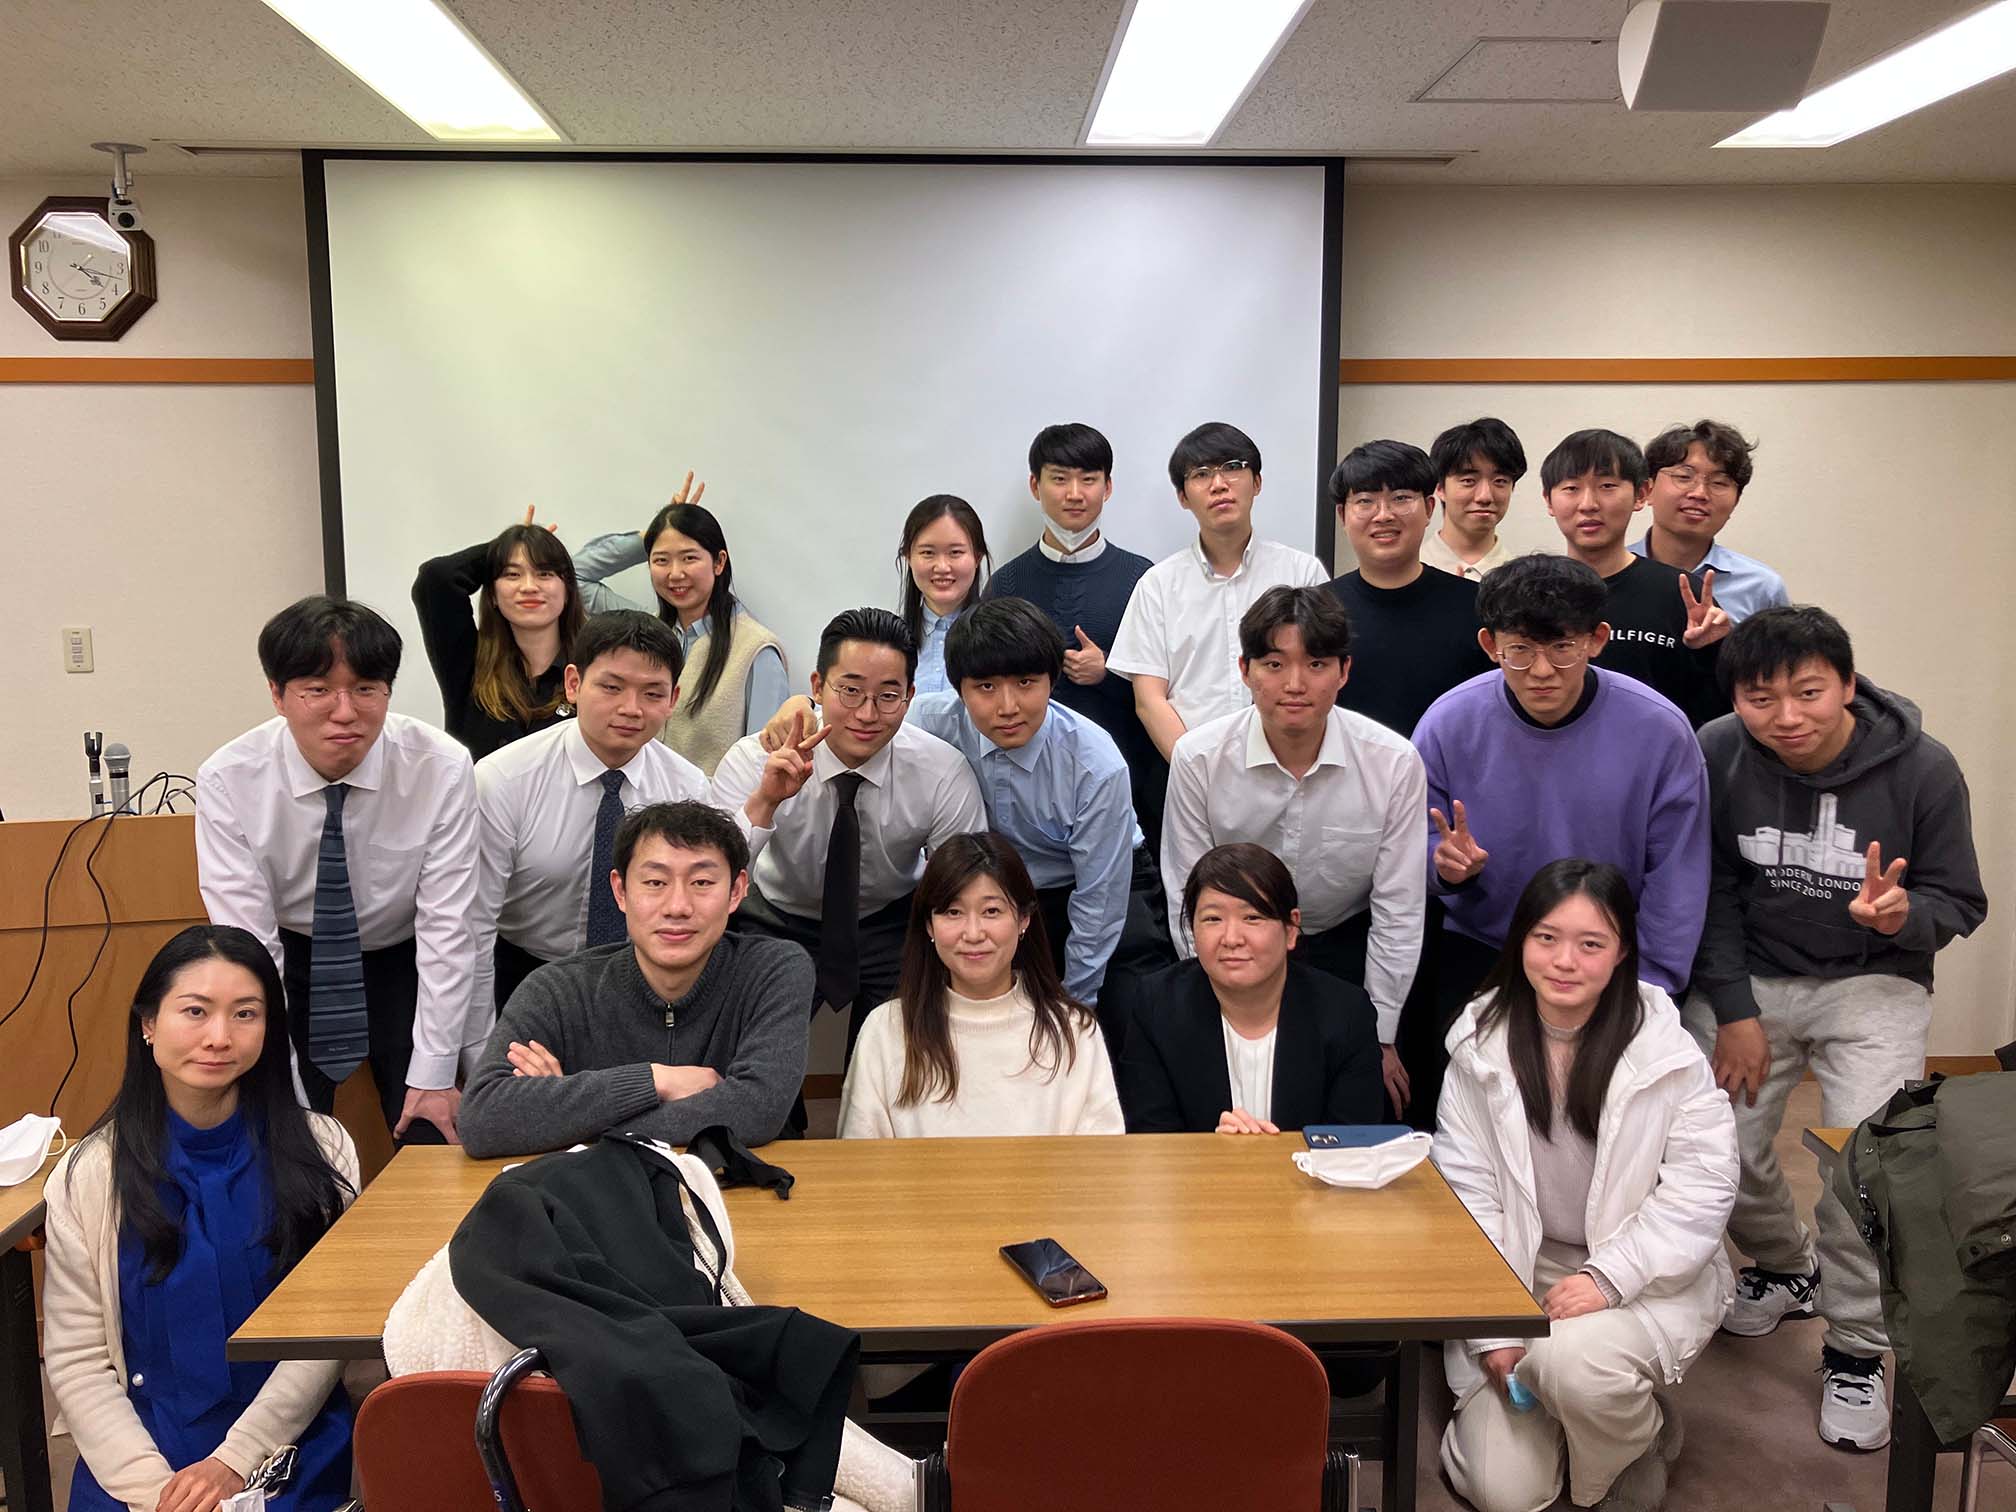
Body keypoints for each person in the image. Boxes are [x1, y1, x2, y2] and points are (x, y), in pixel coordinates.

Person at [1685, 606, 1987, 1450]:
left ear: (1848, 685)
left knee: (1866, 1165)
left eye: (1809, 692)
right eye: (1761, 698)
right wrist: (1734, 1009)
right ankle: (1786, 1267)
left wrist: (1902, 917)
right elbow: (1707, 888)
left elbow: (1960, 899)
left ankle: (1857, 1348)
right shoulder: (1715, 752)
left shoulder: (1924, 768)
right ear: (1735, 700)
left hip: (1875, 979)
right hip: (1752, 975)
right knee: (1714, 1148)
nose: (1787, 717)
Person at [1437, 861, 1737, 1512]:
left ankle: (1628, 1435)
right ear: (1520, 940)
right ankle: (1612, 1424)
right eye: (1546, 938)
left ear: (1622, 951)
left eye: (1591, 943)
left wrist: (1608, 1277)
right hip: (1522, 1263)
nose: (1565, 961)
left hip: (1644, 1270)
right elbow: (1466, 1198)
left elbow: (1702, 1190)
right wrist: (1494, 1329)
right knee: (1504, 1493)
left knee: (1572, 1366)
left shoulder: (1667, 1050)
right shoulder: (1478, 1046)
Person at [45, 925, 360, 1512]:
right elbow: (77, 1360)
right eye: (195, 1011)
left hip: (283, 1438)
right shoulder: (89, 1174)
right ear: (148, 1023)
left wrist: (233, 1463)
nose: (219, 1037)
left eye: (245, 1014)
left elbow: (325, 1338)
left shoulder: (323, 1150)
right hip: (138, 1451)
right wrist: (155, 1491)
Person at [1406, 554, 1710, 1130]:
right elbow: (1412, 843)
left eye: (1562, 648)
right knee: (1469, 1117)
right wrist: (1442, 867)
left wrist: (1652, 988)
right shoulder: (1449, 722)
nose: (1541, 670)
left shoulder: (1659, 730)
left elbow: (1679, 872)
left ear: (1597, 640)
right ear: (1490, 644)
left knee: (1606, 1121)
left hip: (1609, 957)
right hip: (1486, 948)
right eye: (1520, 650)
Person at [760, 597, 1163, 1013]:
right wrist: (801, 706)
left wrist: (1077, 1002)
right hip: (994, 890)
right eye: (986, 687)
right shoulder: (930, 720)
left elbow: (1100, 899)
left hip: (1095, 879)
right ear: (959, 688)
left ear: (1052, 680)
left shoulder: (1095, 764)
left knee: (1124, 1005)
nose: (1008, 707)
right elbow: (864, 713)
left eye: (1026, 683)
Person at [196, 596, 476, 1143]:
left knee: (431, 1127)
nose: (345, 712)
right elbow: (248, 944)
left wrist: (435, 1074)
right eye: (318, 690)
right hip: (289, 956)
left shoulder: (440, 767)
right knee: (282, 1134)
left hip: (405, 957)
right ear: (277, 694)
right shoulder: (230, 778)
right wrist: (281, 1093)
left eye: (366, 689)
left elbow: (448, 926)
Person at [469, 611, 816, 1045]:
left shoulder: (684, 783)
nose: (631, 709)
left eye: (652, 693)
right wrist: (476, 1048)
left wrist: (765, 801)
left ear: (673, 699)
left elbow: (708, 875)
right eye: (611, 687)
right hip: (527, 969)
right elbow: (474, 925)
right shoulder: (503, 778)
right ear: (574, 684)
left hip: (644, 978)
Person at [1162, 587, 1425, 1117]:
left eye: (1317, 664)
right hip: (1234, 946)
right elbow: (1187, 897)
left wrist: (1380, 1034)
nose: (1295, 684)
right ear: (1245, 669)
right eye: (1274, 664)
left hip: (1344, 947)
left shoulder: (1393, 762)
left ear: (1344, 671)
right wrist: (1218, 1009)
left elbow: (1399, 909)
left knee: (1348, 1110)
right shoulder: (1199, 758)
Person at [459, 801, 814, 1157]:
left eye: (702, 882)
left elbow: (757, 1110)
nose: (677, 907)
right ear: (620, 891)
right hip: (602, 1190)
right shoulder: (556, 989)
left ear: (736, 891)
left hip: (736, 1186)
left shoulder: (774, 970)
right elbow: (482, 1120)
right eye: (655, 882)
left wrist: (565, 1116)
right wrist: (657, 1079)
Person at [712, 608, 986, 1052]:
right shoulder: (755, 758)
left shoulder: (940, 771)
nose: (867, 713)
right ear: (817, 687)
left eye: (888, 695)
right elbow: (712, 875)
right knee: (754, 1050)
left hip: (892, 923)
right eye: (851, 691)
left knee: (903, 1054)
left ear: (910, 696)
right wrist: (766, 800)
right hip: (776, 919)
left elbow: (965, 884)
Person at [838, 832, 1124, 1138]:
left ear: (1023, 918)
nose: (973, 933)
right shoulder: (886, 1030)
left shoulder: (1075, 1031)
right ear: (929, 925)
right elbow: (860, 1158)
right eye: (953, 912)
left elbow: (1101, 1159)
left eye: (991, 911)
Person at [1117, 844, 1385, 1134]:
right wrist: (1214, 1151)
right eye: (1213, 919)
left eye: (1252, 918)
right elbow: (1152, 1136)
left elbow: (1352, 1142)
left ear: (1291, 929)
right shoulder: (1157, 1005)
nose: (1231, 938)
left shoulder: (1345, 1013)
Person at [1107, 421, 1328, 762]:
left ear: (1257, 482)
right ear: (1183, 497)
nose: (1219, 484)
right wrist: (1196, 771)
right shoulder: (1157, 585)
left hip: (1290, 766)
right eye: (1201, 474)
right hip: (1192, 770)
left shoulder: (1303, 573)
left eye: (1233, 467)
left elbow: (1322, 673)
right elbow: (1149, 699)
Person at [985, 423, 1160, 845]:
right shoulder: (1006, 584)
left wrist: (1109, 671)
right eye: (1060, 479)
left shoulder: (1143, 579)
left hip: (1125, 790)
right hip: (1023, 804)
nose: (1075, 494)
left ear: (1108, 487)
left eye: (1089, 479)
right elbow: (984, 683)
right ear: (1035, 485)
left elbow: (1169, 687)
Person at [569, 475, 791, 771]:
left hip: (714, 802)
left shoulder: (756, 649)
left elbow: (763, 763)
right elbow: (575, 576)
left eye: (688, 558)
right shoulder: (643, 633)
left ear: (719, 562)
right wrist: (654, 533)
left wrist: (665, 538)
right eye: (661, 560)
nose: (675, 574)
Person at [1541, 428, 1730, 728]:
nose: (1588, 504)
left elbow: (1721, 710)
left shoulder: (1680, 593)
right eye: (1571, 488)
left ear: (1641, 494)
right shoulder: (1531, 594)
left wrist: (1713, 649)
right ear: (1549, 501)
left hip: (1658, 755)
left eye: (1607, 486)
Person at [1324, 439, 1488, 737]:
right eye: (1365, 501)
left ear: (1429, 508)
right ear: (1342, 516)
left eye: (1401, 498)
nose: (1383, 515)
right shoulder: (1315, 611)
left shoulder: (1478, 606)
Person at [411, 510, 586, 759]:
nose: (529, 587)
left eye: (544, 573)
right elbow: (435, 578)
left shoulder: (592, 666)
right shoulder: (470, 664)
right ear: (492, 594)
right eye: (512, 574)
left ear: (567, 590)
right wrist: (507, 545)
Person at [1630, 420, 1790, 624]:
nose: (1699, 493)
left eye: (1719, 482)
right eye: (1684, 477)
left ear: (1736, 501)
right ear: (1647, 490)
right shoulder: (1609, 574)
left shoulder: (1762, 588)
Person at [896, 495, 991, 695]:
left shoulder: (1002, 640)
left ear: (977, 558)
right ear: (908, 558)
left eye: (955, 552)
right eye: (928, 553)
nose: (942, 567)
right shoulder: (888, 641)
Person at [1423, 417, 1526, 582]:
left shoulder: (1523, 581)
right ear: (1440, 487)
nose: (1485, 496)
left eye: (1500, 481)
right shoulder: (1407, 571)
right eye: (1468, 481)